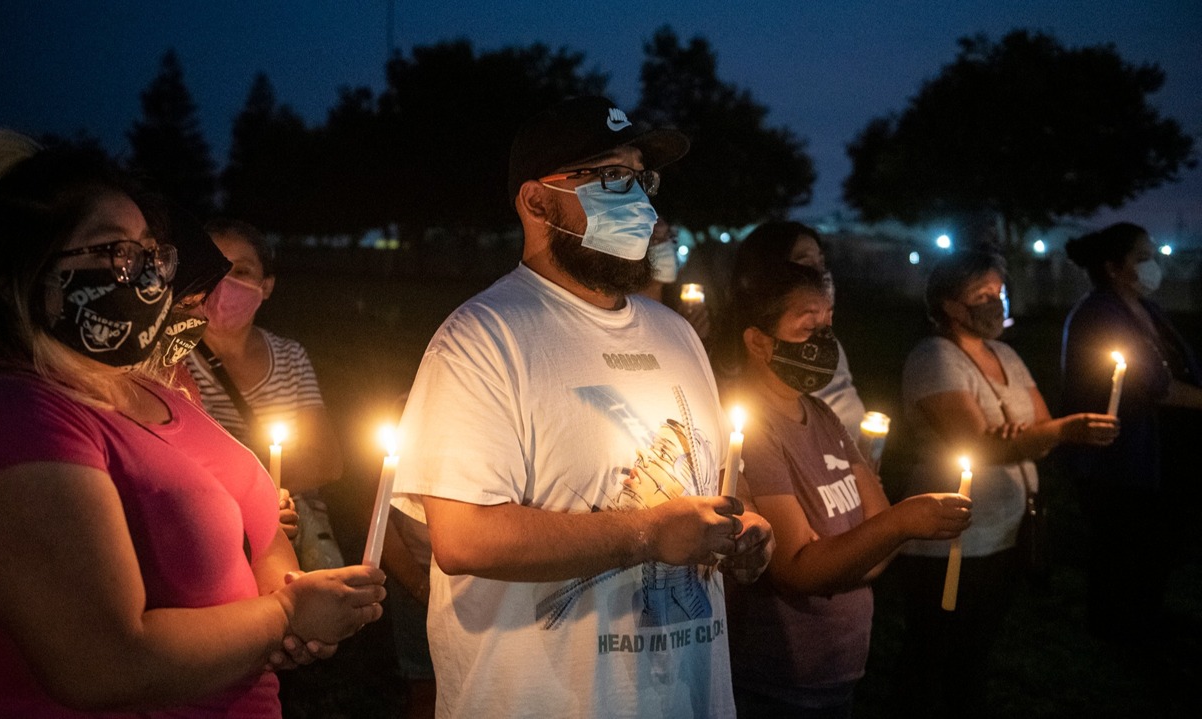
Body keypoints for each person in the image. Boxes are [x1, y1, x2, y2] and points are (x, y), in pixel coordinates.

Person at [0, 130, 384, 718]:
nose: (145, 275)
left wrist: (286, 602)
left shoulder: (147, 390)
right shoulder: (5, 419)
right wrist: (284, 616)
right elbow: (102, 661)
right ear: (22, 271)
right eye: (115, 253)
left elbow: (259, 528)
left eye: (150, 252)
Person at [390, 96, 773, 718]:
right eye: (612, 176)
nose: (641, 200)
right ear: (537, 201)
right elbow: (462, 538)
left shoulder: (676, 336)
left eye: (642, 178)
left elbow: (709, 483)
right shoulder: (483, 338)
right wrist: (648, 532)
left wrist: (742, 528)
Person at [720, 260, 971, 718]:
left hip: (841, 667)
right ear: (758, 341)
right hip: (780, 677)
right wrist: (899, 525)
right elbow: (799, 570)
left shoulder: (822, 415)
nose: (824, 341)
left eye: (829, 326)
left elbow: (872, 538)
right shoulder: (753, 429)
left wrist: (853, 551)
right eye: (808, 327)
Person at [890, 249, 1118, 717]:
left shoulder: (1006, 354)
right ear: (950, 305)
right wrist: (1054, 433)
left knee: (975, 655)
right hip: (951, 539)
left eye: (999, 292)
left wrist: (1039, 436)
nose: (996, 303)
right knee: (932, 655)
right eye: (982, 295)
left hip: (1006, 533)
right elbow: (981, 444)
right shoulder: (934, 357)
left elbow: (1040, 431)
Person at [1060, 222, 1202, 644]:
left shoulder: (1148, 310)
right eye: (1143, 257)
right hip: (1120, 455)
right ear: (1113, 267)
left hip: (1160, 451)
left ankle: (1146, 618)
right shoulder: (1099, 314)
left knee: (1157, 541)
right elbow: (1154, 385)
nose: (1153, 265)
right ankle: (1116, 630)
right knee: (1122, 541)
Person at [185, 218, 345, 568]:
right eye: (214, 269)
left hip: (300, 534)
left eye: (241, 271)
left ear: (266, 285)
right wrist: (261, 494)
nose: (224, 283)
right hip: (220, 532)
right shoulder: (174, 362)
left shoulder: (289, 356)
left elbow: (327, 460)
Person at [732, 220, 867, 439]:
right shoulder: (762, 396)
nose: (820, 274)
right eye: (806, 264)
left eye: (821, 262)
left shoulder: (829, 345)